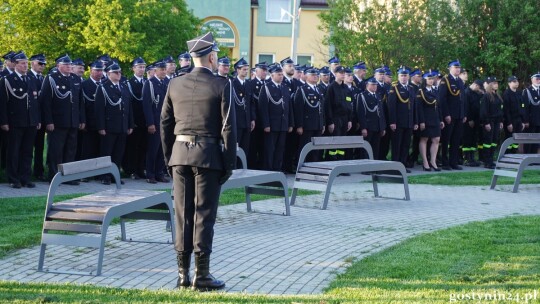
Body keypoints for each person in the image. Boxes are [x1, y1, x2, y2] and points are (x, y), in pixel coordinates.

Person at [161, 32, 236, 291]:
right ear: (212, 57)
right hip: (208, 157)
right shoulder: (222, 85)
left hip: (180, 156)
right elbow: (228, 129)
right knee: (203, 215)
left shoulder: (174, 84)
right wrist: (229, 164)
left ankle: (182, 274)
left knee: (182, 214)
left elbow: (165, 125)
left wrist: (169, 158)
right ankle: (201, 275)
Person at [41, 54, 85, 183]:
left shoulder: (75, 79)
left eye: (70, 64)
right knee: (56, 150)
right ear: (58, 66)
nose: (69, 66)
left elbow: (80, 102)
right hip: (57, 122)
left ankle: (68, 177)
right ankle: (54, 176)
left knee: (71, 150)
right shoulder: (51, 79)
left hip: (73, 121)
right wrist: (49, 121)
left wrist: (81, 119)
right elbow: (46, 102)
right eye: (66, 64)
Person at [0, 51, 41, 188]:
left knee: (28, 151)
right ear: (15, 64)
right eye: (22, 63)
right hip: (15, 122)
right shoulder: (7, 80)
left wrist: (37, 119)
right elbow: (3, 103)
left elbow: (35, 102)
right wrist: (4, 121)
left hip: (30, 121)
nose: (25, 66)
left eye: (26, 63)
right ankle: (13, 178)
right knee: (14, 151)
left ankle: (25, 177)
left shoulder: (30, 79)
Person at [95, 62, 134, 184]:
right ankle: (105, 176)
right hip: (109, 126)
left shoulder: (123, 87)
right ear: (108, 74)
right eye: (116, 72)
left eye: (120, 72)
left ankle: (115, 175)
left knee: (118, 153)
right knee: (107, 152)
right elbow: (99, 109)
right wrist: (101, 126)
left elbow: (129, 107)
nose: (119, 74)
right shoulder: (103, 87)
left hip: (122, 125)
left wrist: (130, 124)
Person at [258, 64, 294, 171]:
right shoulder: (266, 87)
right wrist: (266, 124)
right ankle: (268, 169)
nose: (281, 77)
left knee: (280, 148)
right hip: (272, 125)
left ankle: (277, 169)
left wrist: (291, 123)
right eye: (278, 75)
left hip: (283, 124)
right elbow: (263, 108)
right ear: (272, 75)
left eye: (281, 75)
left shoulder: (284, 87)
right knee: (270, 149)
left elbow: (289, 107)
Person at [142, 60, 168, 184]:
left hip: (165, 122)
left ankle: (159, 172)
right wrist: (150, 123)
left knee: (163, 150)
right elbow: (147, 105)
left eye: (164, 69)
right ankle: (150, 174)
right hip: (155, 122)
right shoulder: (150, 84)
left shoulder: (167, 83)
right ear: (155, 71)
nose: (163, 71)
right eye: (161, 69)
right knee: (153, 149)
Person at [439, 60, 467, 170]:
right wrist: (446, 114)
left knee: (456, 140)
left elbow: (462, 99)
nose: (457, 69)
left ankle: (453, 162)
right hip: (450, 115)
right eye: (455, 67)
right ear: (450, 68)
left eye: (459, 67)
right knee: (446, 139)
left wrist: (464, 113)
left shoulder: (460, 81)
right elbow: (442, 99)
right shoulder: (445, 80)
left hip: (459, 114)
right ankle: (445, 162)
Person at [388, 67, 417, 171]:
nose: (404, 78)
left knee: (406, 145)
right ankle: (395, 166)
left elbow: (414, 107)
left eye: (405, 75)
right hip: (398, 122)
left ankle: (403, 165)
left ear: (408, 76)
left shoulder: (411, 88)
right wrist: (392, 122)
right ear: (398, 76)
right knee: (397, 145)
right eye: (402, 75)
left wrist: (415, 121)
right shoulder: (394, 88)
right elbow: (391, 107)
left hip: (409, 121)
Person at [123, 57, 147, 179]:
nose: (142, 69)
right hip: (135, 121)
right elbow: (129, 105)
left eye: (143, 67)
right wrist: (131, 122)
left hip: (145, 121)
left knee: (143, 146)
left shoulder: (147, 82)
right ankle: (131, 170)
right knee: (133, 147)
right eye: (139, 67)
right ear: (133, 68)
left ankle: (140, 168)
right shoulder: (129, 83)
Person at [294, 67, 325, 162]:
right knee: (304, 147)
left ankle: (313, 167)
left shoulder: (319, 90)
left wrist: (323, 123)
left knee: (316, 149)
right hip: (307, 124)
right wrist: (299, 125)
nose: (315, 77)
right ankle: (302, 166)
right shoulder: (302, 90)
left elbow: (322, 108)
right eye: (313, 75)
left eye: (316, 75)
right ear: (306, 76)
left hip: (318, 124)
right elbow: (298, 109)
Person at [416, 71, 444, 171]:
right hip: (426, 118)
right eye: (429, 79)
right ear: (425, 80)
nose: (431, 81)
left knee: (436, 139)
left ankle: (433, 161)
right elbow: (419, 107)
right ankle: (425, 162)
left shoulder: (435, 90)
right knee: (424, 139)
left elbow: (439, 106)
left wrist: (441, 119)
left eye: (432, 79)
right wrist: (422, 121)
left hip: (435, 117)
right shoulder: (421, 91)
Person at [79, 61, 104, 165]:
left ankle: (98, 173)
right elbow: (81, 105)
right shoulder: (84, 85)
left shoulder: (105, 84)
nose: (99, 73)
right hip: (89, 123)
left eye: (101, 70)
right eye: (97, 70)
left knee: (100, 150)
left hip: (103, 123)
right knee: (88, 150)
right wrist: (83, 121)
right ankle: (86, 173)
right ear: (91, 71)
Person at [324, 66, 352, 160]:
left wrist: (349, 120)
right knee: (334, 143)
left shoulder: (346, 88)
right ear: (335, 74)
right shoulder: (331, 87)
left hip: (344, 118)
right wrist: (330, 122)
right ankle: (331, 163)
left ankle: (340, 162)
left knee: (342, 142)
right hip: (335, 118)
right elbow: (328, 106)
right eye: (341, 73)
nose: (343, 75)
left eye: (344, 73)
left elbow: (349, 106)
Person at [27, 53, 47, 181]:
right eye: (40, 63)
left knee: (40, 147)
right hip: (30, 118)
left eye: (44, 64)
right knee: (27, 148)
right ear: (32, 63)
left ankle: (38, 171)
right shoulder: (27, 77)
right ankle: (25, 172)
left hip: (42, 119)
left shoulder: (43, 78)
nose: (43, 66)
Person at [357, 77, 386, 160]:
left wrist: (382, 127)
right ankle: (365, 166)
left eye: (375, 85)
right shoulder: (362, 96)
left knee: (375, 148)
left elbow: (381, 113)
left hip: (377, 126)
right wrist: (363, 128)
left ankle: (374, 166)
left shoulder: (378, 95)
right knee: (366, 148)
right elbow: (361, 113)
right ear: (367, 85)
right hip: (368, 126)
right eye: (372, 85)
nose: (375, 86)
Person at [232, 58, 254, 160]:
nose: (246, 71)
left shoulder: (248, 84)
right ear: (238, 70)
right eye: (244, 69)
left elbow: (251, 103)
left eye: (246, 69)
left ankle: (243, 168)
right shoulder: (232, 83)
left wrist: (252, 119)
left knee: (246, 147)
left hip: (246, 120)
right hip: (236, 121)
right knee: (236, 147)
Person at [479, 77, 504, 169]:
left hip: (497, 121)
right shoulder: (486, 96)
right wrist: (486, 123)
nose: (496, 84)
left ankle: (491, 159)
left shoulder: (498, 96)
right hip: (490, 121)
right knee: (487, 141)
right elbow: (484, 111)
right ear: (489, 84)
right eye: (494, 83)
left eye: (497, 83)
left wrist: (501, 121)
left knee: (494, 141)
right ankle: (487, 161)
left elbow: (500, 110)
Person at [462, 79, 484, 166]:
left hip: (476, 120)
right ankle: (467, 158)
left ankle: (472, 158)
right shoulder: (466, 92)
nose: (479, 89)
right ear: (475, 85)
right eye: (478, 88)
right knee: (467, 139)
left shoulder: (475, 93)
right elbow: (466, 107)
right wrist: (469, 119)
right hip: (469, 121)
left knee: (473, 139)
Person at [503, 76, 526, 153]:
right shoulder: (506, 94)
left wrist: (523, 121)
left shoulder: (519, 93)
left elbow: (522, 106)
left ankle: (514, 154)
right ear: (509, 83)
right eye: (514, 81)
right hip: (510, 120)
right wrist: (509, 123)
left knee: (516, 140)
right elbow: (506, 110)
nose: (517, 83)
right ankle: (507, 157)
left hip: (518, 120)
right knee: (509, 139)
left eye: (517, 81)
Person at [522, 72, 540, 153]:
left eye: (539, 79)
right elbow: (525, 108)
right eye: (536, 79)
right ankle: (527, 157)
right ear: (532, 80)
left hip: (539, 121)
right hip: (531, 121)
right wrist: (526, 121)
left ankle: (534, 158)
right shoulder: (527, 91)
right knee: (529, 141)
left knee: (537, 141)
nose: (538, 81)